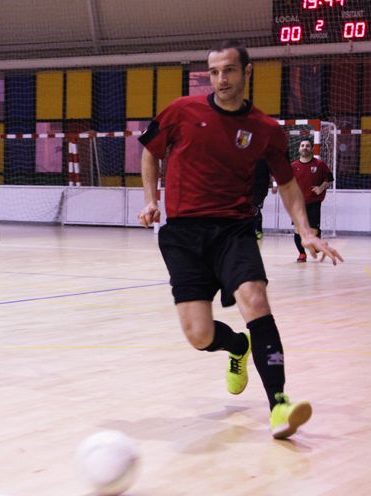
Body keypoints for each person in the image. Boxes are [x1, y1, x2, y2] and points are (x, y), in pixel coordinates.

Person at [138, 39, 343, 439]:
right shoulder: (181, 111)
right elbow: (150, 151)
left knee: (256, 300)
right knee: (198, 335)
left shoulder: (265, 129)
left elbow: (286, 183)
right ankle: (236, 347)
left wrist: (306, 232)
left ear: (247, 72)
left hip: (233, 229)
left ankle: (279, 404)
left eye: (229, 70)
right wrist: (150, 199)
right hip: (183, 234)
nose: (221, 79)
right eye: (213, 72)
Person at [292, 138, 333, 262]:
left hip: (314, 203)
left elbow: (329, 180)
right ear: (299, 148)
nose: (305, 147)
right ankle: (302, 254)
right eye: (302, 145)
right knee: (298, 230)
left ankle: (317, 242)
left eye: (307, 145)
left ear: (312, 149)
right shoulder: (293, 166)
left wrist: (321, 188)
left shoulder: (319, 165)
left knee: (313, 231)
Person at [252, 159, 277, 239]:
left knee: (256, 208)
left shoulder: (265, 157)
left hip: (261, 188)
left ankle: (258, 230)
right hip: (248, 187)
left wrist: (274, 185)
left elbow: (273, 173)